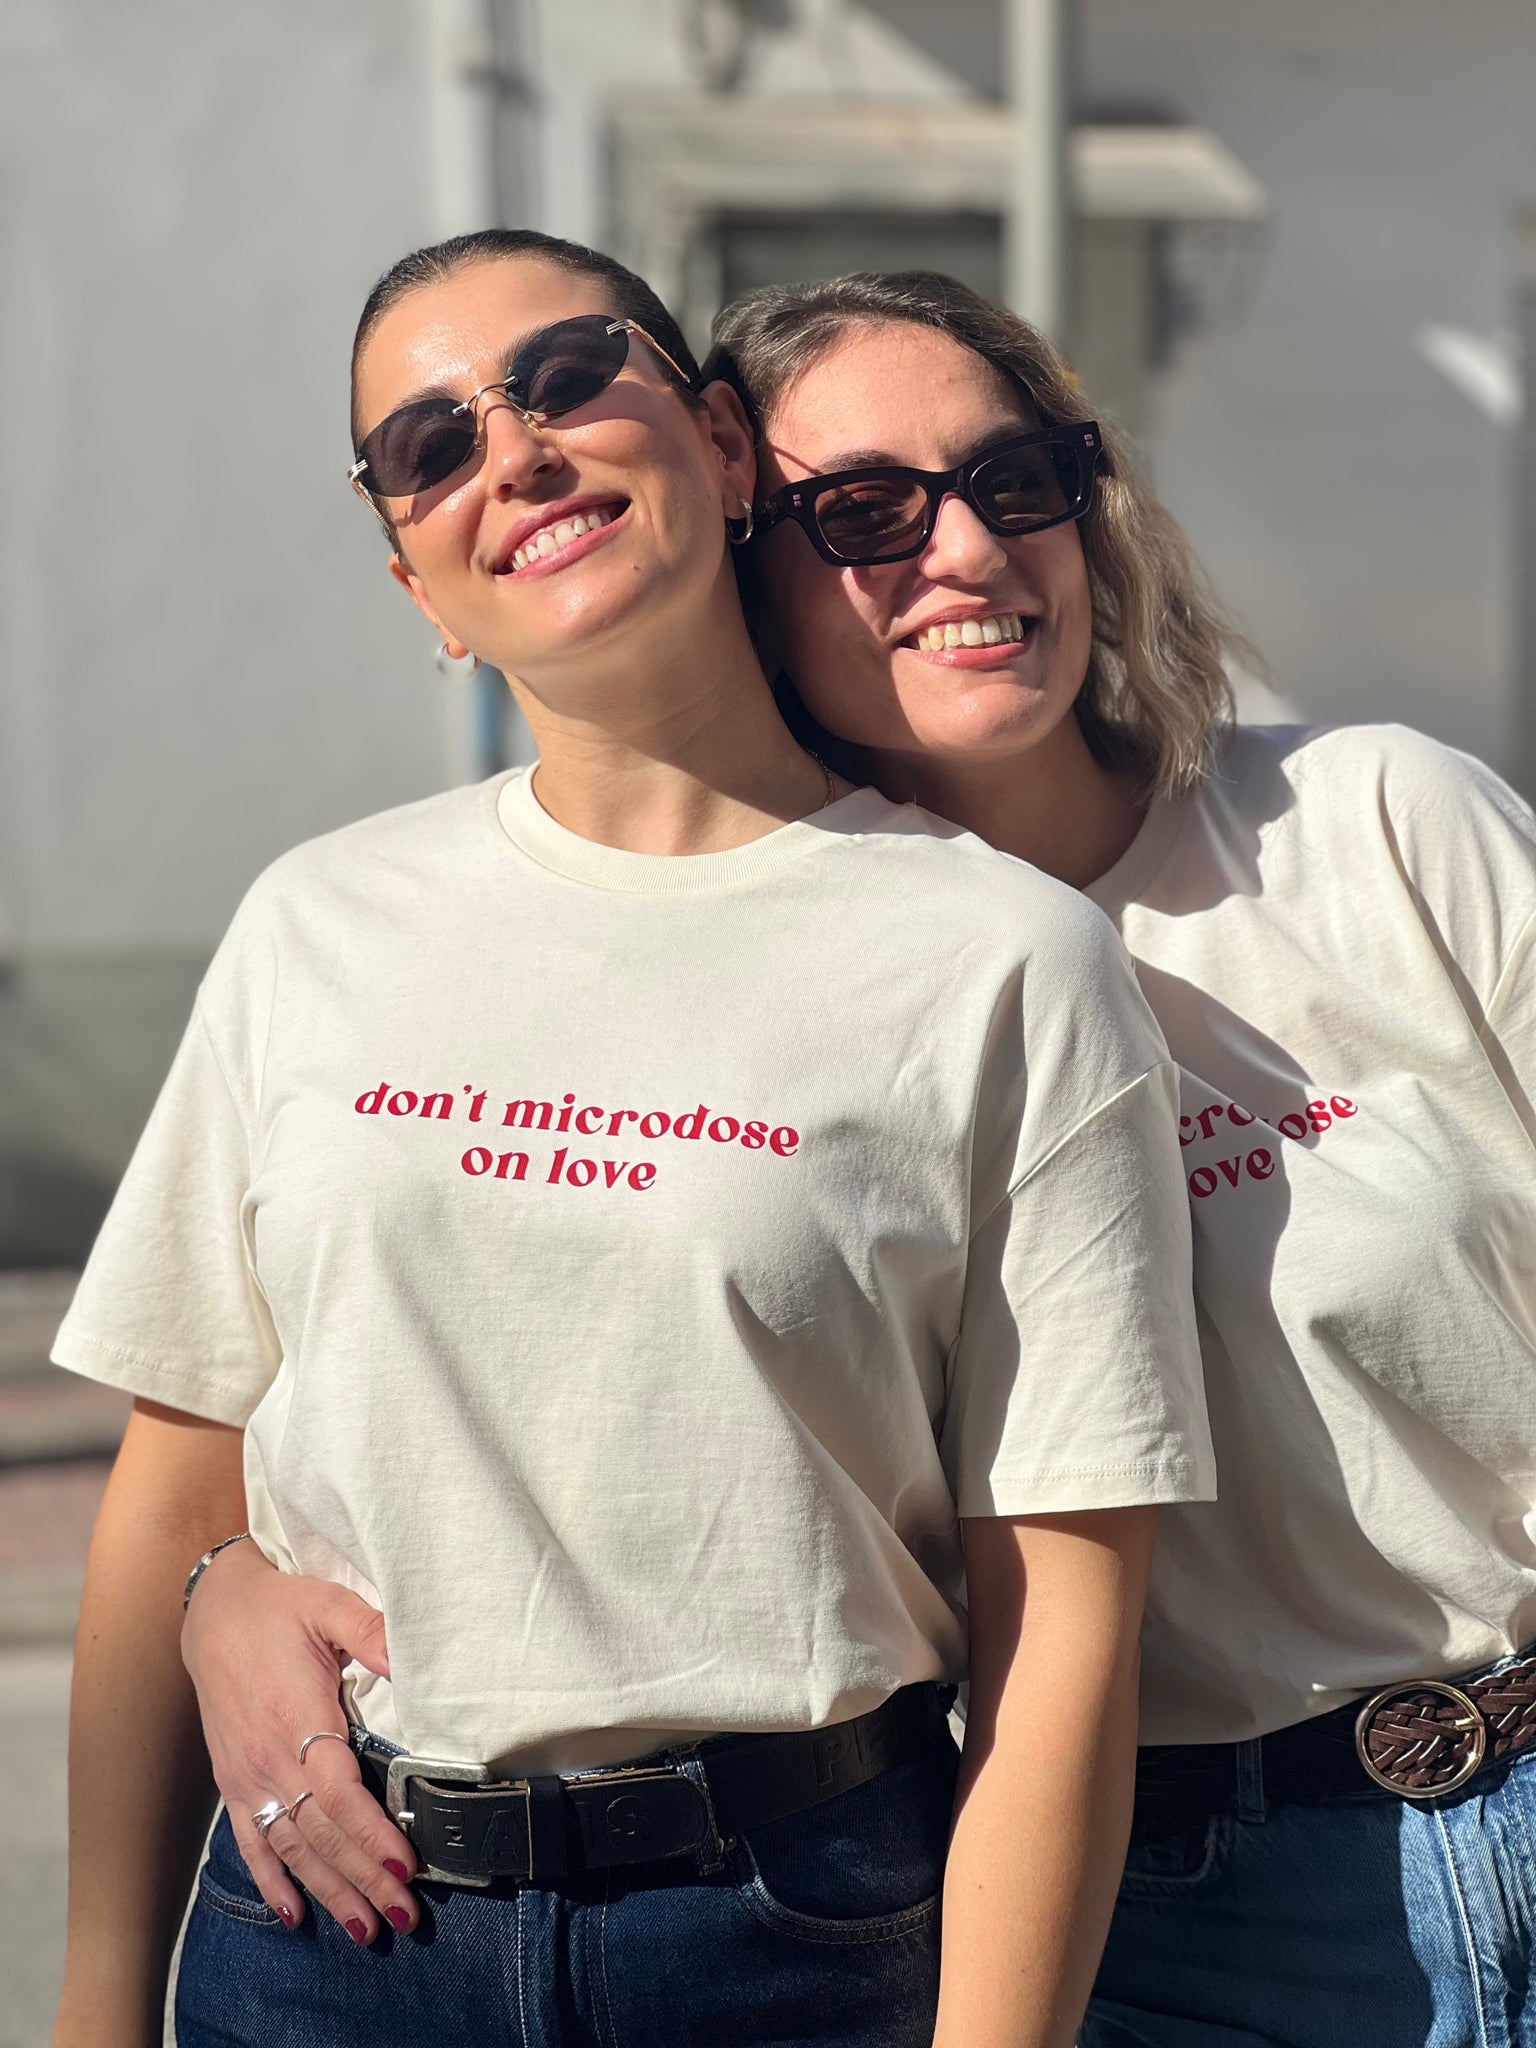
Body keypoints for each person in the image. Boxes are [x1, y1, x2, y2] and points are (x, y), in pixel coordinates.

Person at [188, 257, 1536, 2045]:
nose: (967, 551)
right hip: (1163, 1910)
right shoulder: (709, 973)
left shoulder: (1378, 826)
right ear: (742, 534)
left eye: (1015, 481)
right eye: (870, 514)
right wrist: (230, 1582)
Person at [49, 231, 1212, 2048]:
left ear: (726, 451)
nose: (511, 450)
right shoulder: (315, 923)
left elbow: (1062, 1629)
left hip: (797, 1943)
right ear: (422, 586)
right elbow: (174, 1479)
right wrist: (98, 2001)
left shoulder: (1005, 960)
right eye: (430, 444)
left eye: (570, 374)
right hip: (328, 1936)